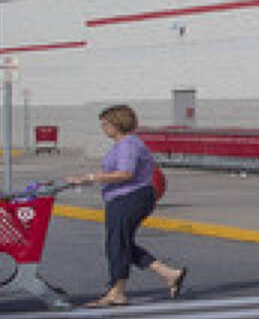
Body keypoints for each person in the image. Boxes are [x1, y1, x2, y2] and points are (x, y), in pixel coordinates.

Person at [62, 105, 187, 306]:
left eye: (106, 124)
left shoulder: (128, 144)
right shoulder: (124, 144)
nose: (103, 128)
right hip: (127, 197)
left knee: (117, 243)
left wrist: (90, 178)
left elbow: (125, 173)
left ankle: (117, 292)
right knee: (122, 242)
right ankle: (169, 274)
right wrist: (85, 179)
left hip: (129, 197)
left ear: (117, 124)